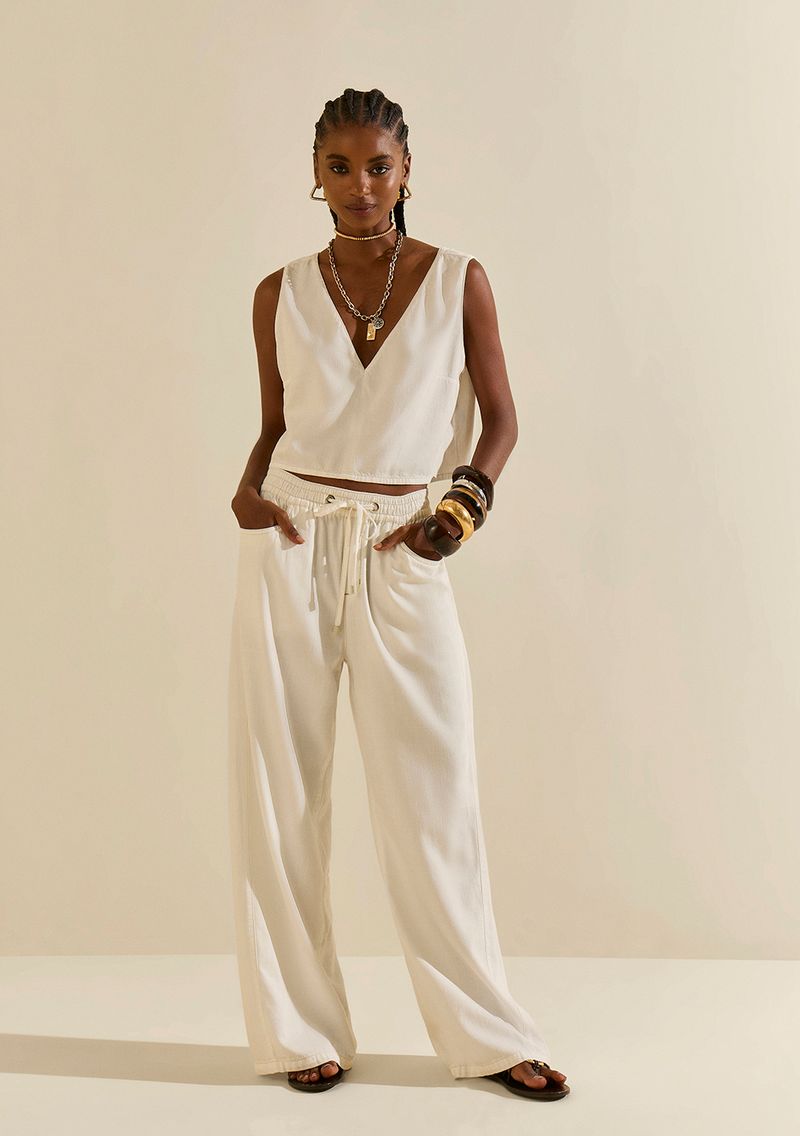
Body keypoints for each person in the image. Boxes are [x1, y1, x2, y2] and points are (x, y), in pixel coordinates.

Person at [227, 87, 570, 1101]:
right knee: (279, 791)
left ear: (406, 169)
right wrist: (245, 490)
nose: (360, 185)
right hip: (291, 539)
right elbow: (273, 425)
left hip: (401, 545)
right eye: (339, 166)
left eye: (377, 165)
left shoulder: (459, 278)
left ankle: (487, 1032)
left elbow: (500, 420)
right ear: (316, 175)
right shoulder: (277, 291)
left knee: (433, 789)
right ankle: (299, 1029)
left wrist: (459, 511)